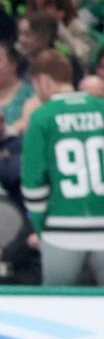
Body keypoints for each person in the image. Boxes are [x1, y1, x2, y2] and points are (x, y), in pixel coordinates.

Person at [21, 50, 104, 286]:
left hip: (61, 231)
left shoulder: (41, 117)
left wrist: (40, 227)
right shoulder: (101, 108)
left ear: (43, 81)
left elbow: (33, 181)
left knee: (55, 304)